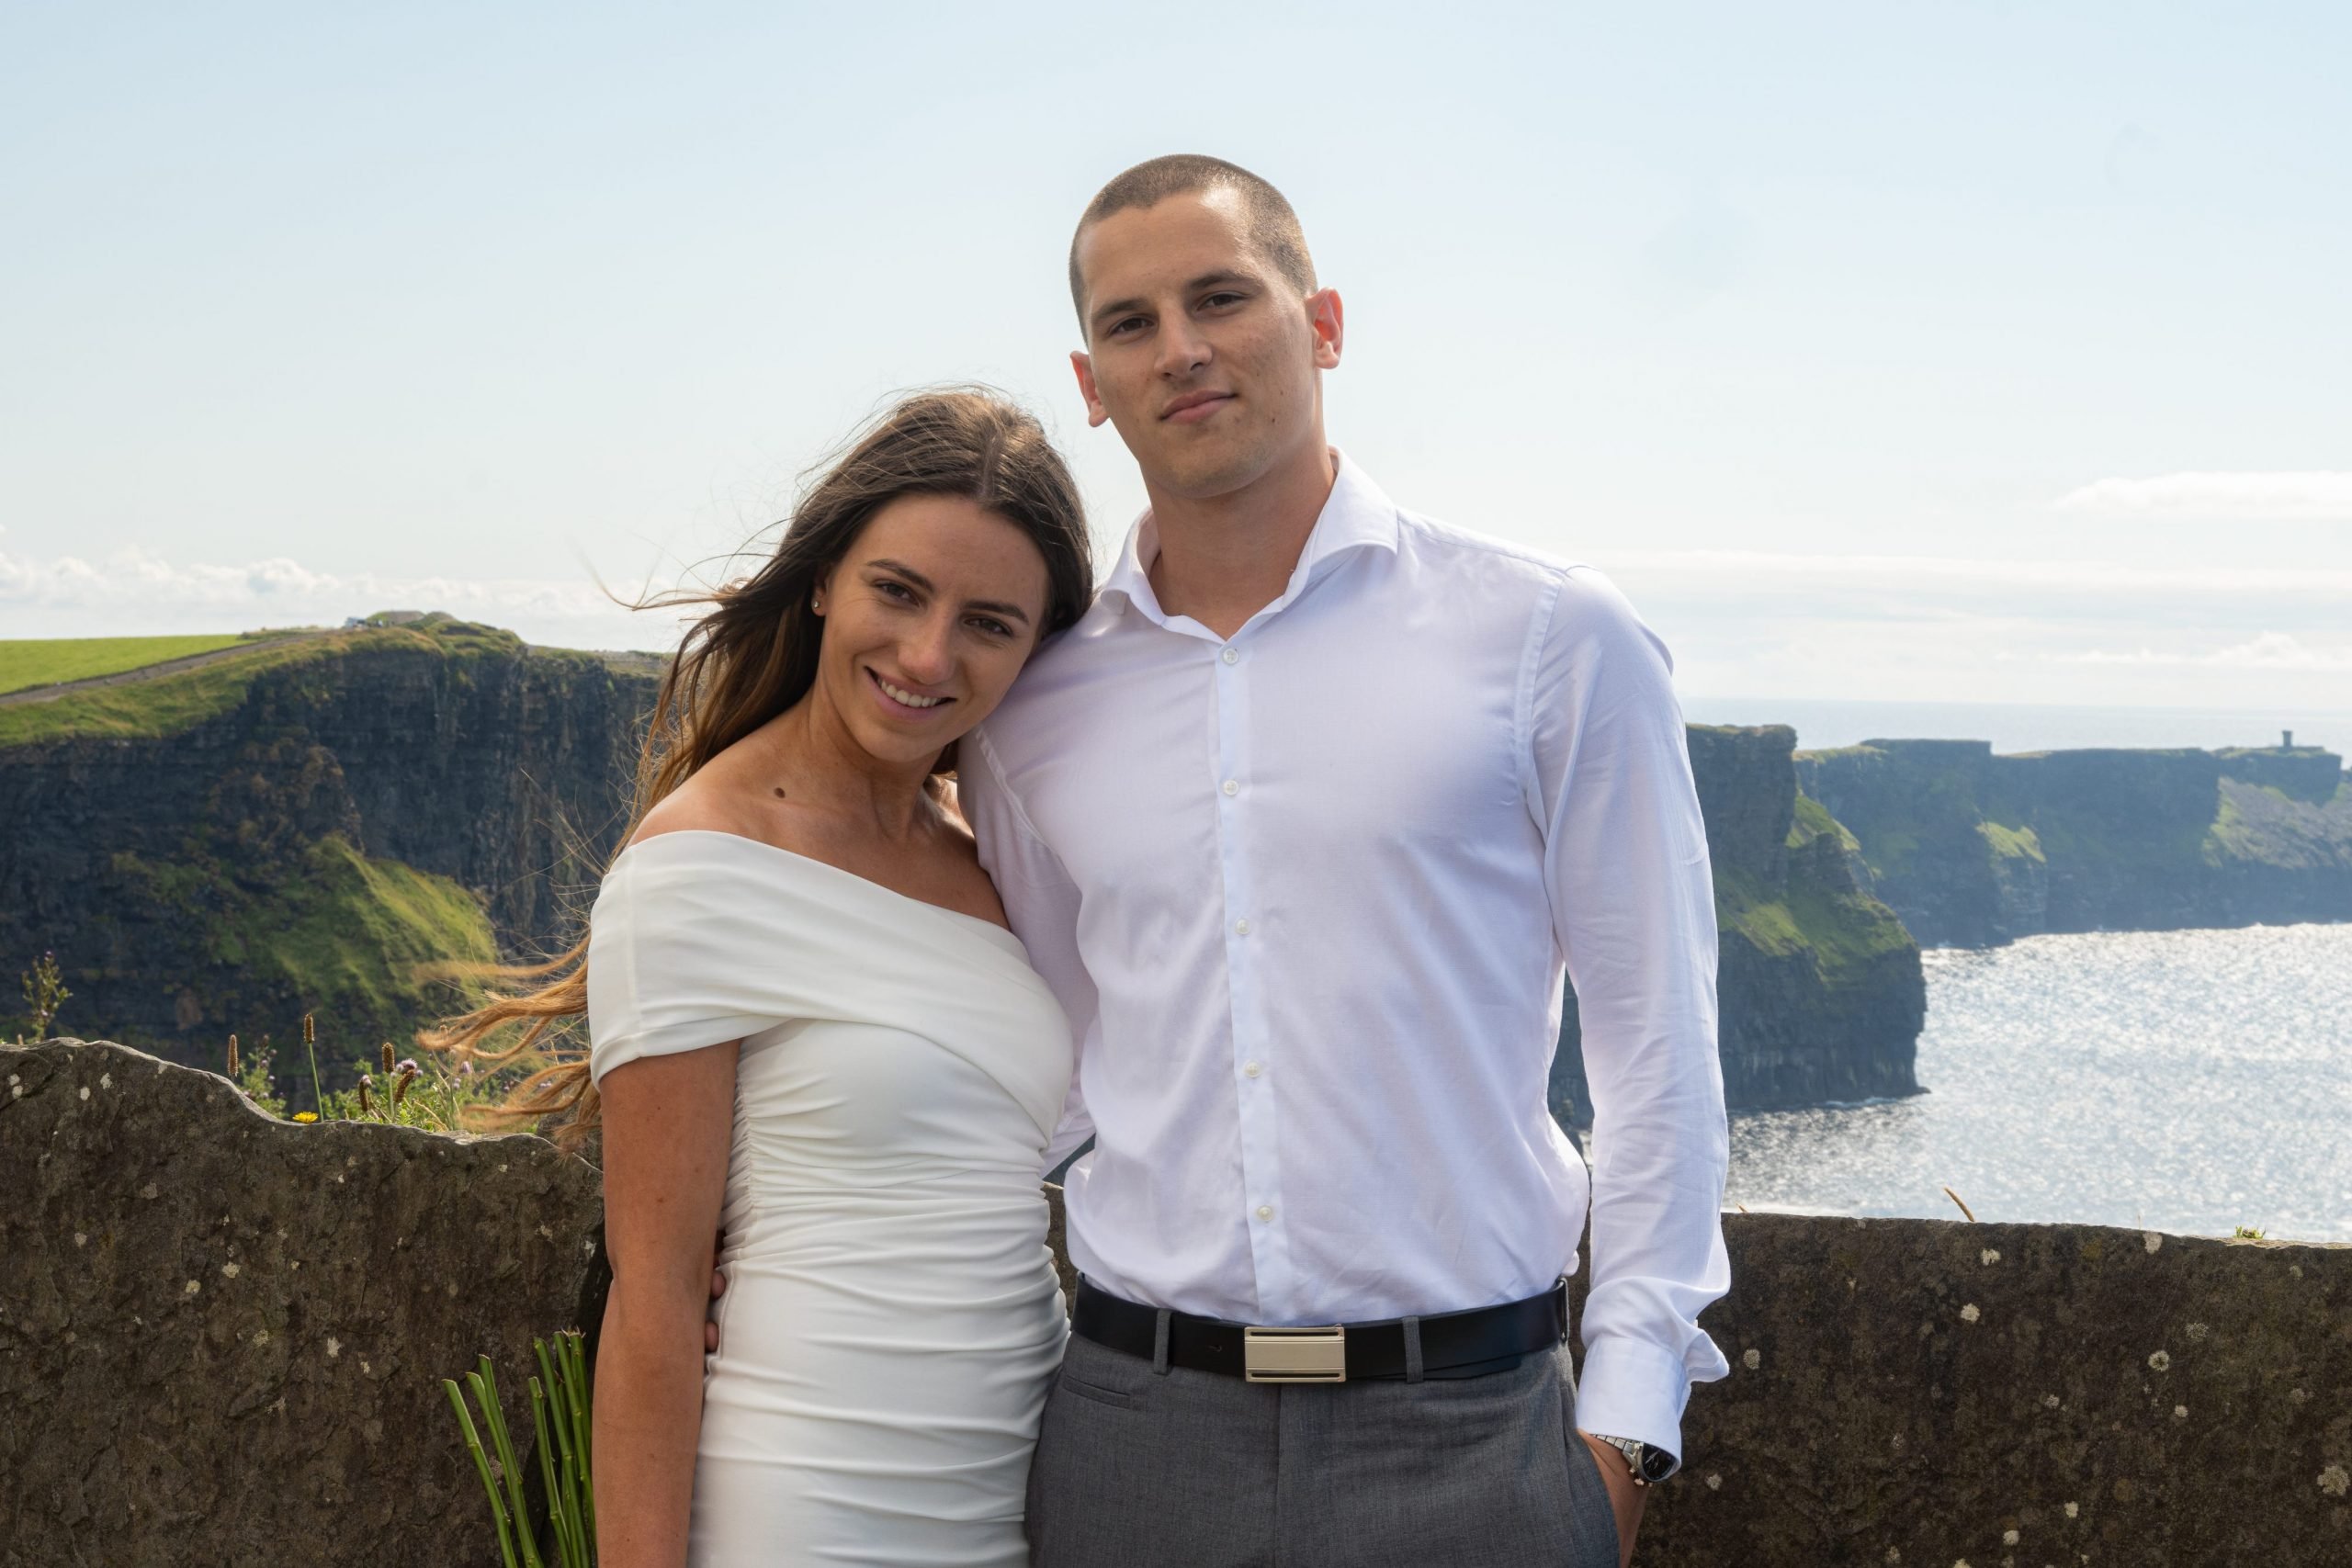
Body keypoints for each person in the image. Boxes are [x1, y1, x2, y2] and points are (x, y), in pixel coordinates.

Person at [952, 156, 1733, 1568]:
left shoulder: (1552, 637)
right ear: (1089, 379)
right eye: (1131, 323)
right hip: (1135, 1433)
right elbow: (1054, 1072)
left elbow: (1660, 1054)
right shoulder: (1036, 712)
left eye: (1220, 297)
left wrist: (1622, 1431)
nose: (1180, 348)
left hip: (1472, 1439)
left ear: (1322, 321)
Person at [432, 389, 1095, 1567]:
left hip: (1022, 1481)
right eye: (898, 591)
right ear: (825, 577)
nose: (928, 654)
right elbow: (656, 1295)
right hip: (813, 1493)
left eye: (989, 622)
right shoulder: (701, 867)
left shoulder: (991, 851)